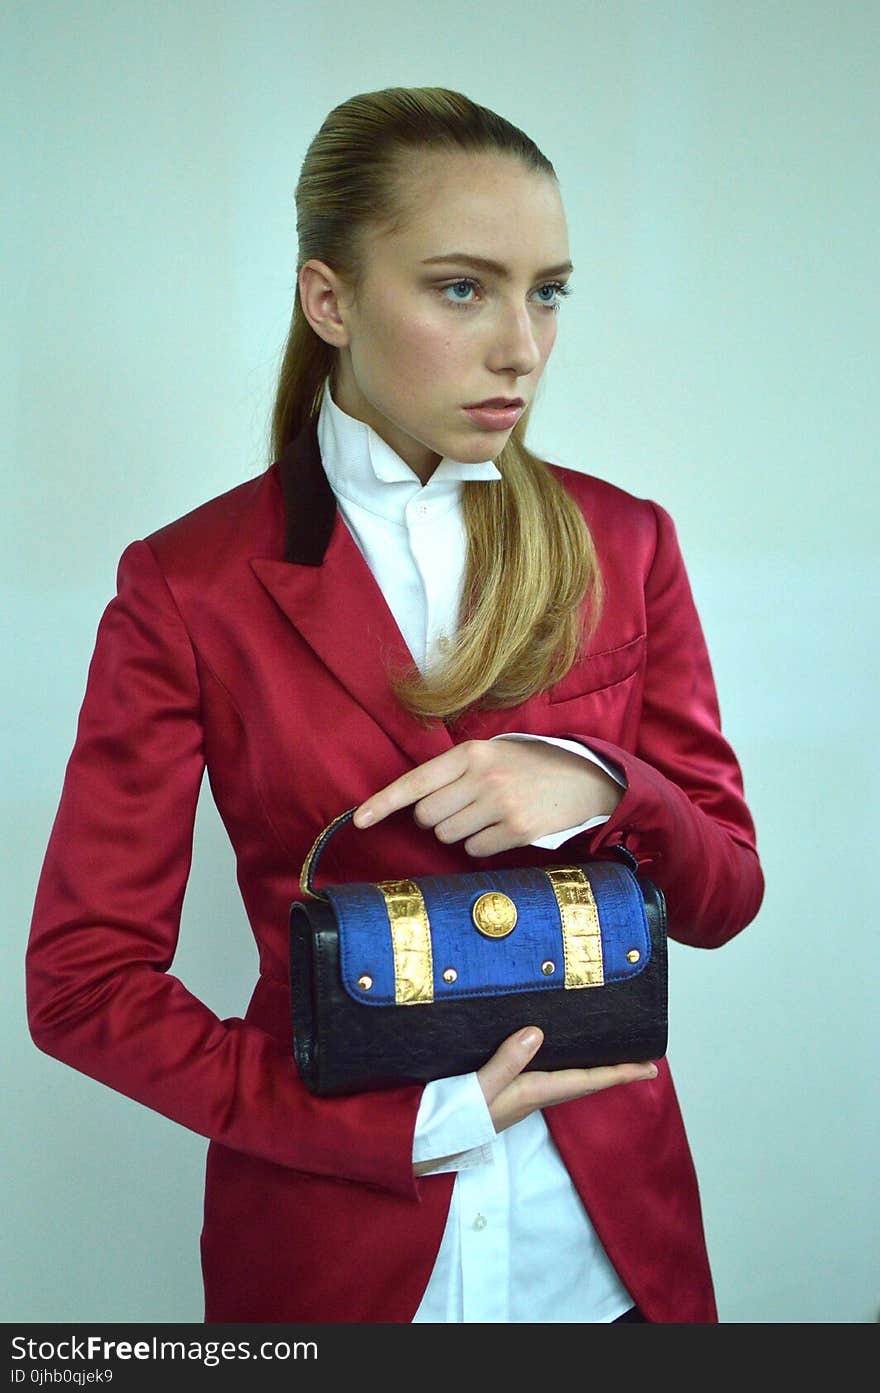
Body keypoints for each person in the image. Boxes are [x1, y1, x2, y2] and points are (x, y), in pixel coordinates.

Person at [25, 86, 764, 1325]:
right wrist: (413, 1117)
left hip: (611, 1262)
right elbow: (84, 985)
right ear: (331, 300)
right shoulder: (186, 584)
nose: (522, 345)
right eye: (463, 288)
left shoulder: (626, 541)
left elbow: (725, 896)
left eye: (549, 291)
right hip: (330, 1261)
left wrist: (600, 778)